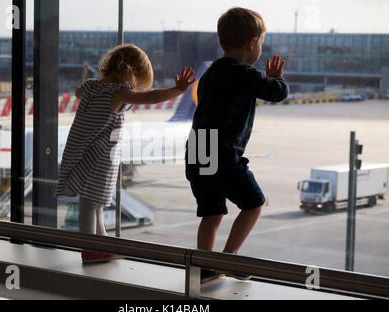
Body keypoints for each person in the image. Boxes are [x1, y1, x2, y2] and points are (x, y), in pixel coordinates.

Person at [55, 43, 196, 263]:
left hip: (80, 153)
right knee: (91, 205)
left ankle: (100, 245)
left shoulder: (91, 86)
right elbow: (150, 97)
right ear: (131, 72)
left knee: (94, 204)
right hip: (100, 158)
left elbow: (78, 92)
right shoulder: (119, 93)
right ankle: (89, 249)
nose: (137, 87)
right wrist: (177, 90)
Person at [184, 7, 288, 283]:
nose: (262, 49)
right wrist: (275, 78)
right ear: (251, 43)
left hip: (197, 148)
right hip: (220, 150)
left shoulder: (211, 73)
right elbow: (276, 93)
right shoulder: (244, 74)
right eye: (262, 43)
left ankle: (205, 266)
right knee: (254, 203)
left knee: (212, 211)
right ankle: (229, 258)